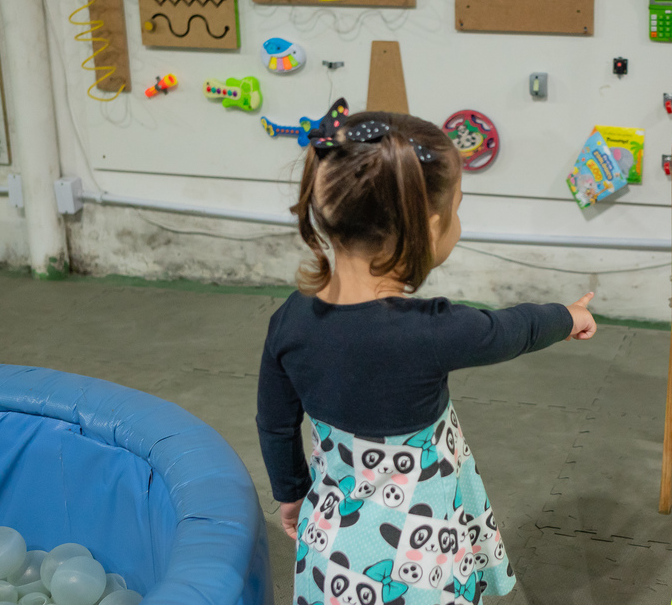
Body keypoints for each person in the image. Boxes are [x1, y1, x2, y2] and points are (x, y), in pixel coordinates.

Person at [256, 111, 597, 605]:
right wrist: (568, 316)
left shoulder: (290, 319)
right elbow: (512, 330)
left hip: (334, 546)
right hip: (421, 549)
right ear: (430, 224)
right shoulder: (432, 330)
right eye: (458, 207)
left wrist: (290, 493)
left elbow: (275, 422)